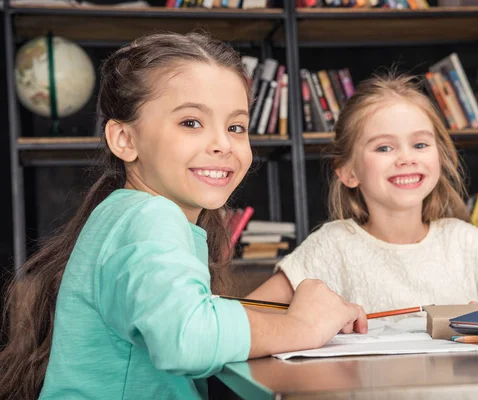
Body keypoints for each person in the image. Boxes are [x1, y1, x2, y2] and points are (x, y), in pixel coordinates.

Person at [0, 32, 367, 400]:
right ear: (125, 139)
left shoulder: (123, 214)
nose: (223, 143)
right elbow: (187, 338)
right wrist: (302, 326)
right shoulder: (150, 218)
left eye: (236, 127)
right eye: (191, 122)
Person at [249, 72, 478, 313]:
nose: (406, 158)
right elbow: (247, 314)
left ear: (440, 156)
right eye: (385, 147)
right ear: (348, 171)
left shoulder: (464, 242)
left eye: (420, 144)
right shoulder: (332, 247)